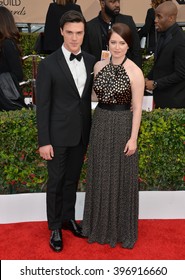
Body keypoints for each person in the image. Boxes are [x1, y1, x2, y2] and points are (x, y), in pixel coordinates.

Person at [36, 10, 95, 252]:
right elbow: (43, 106)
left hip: (81, 133)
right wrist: (44, 141)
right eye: (69, 32)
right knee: (56, 182)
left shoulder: (92, 61)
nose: (74, 38)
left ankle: (68, 219)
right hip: (57, 136)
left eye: (79, 33)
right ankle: (54, 228)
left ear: (84, 33)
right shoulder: (48, 65)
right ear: (61, 32)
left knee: (72, 180)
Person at [82, 23, 144, 248]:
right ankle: (97, 226)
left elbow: (137, 107)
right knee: (100, 174)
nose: (117, 47)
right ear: (107, 43)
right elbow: (94, 96)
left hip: (122, 126)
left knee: (120, 176)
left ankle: (120, 229)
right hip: (100, 123)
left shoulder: (135, 71)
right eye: (113, 42)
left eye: (122, 43)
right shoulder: (98, 66)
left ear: (128, 45)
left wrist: (133, 138)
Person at [145, 1, 185, 109]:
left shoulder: (180, 40)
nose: (155, 20)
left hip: (174, 104)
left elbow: (181, 74)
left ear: (171, 18)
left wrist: (156, 83)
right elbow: (159, 65)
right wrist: (147, 77)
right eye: (155, 16)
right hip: (161, 101)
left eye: (159, 17)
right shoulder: (162, 35)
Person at [83, 0, 142, 67]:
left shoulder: (127, 21)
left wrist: (135, 72)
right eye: (112, 2)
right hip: (99, 72)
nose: (117, 5)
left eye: (118, 1)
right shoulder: (90, 26)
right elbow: (86, 55)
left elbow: (136, 51)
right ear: (102, 4)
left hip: (125, 71)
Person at [0, 6, 26, 110]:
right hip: (5, 97)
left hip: (5, 98)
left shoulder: (6, 44)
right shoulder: (6, 44)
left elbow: (17, 74)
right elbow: (18, 74)